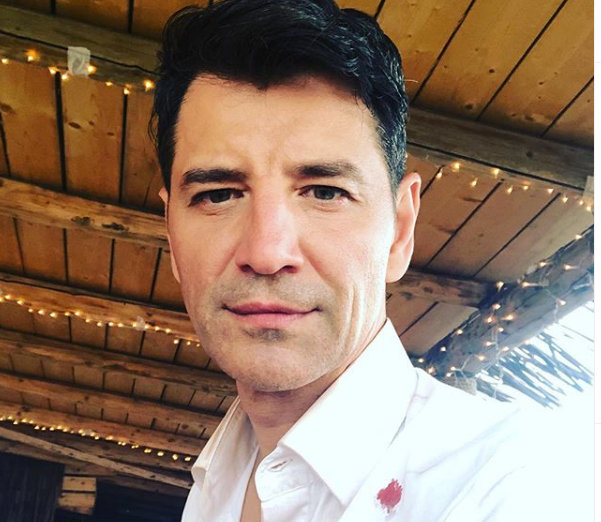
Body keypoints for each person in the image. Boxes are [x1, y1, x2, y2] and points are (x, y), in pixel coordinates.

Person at [150, 1, 565, 520]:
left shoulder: (511, 487)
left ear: (400, 230)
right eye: (217, 195)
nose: (266, 253)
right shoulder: (218, 473)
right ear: (172, 235)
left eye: (325, 192)